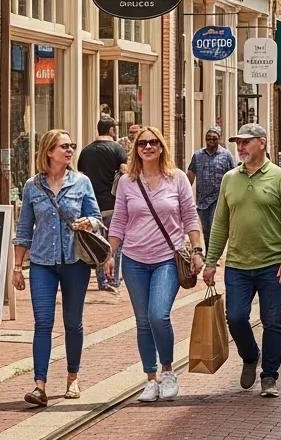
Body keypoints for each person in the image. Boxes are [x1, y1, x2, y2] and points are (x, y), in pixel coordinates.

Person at [202, 124, 281, 398]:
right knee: (235, 318)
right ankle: (250, 355)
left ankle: (269, 376)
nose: (241, 147)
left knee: (272, 321)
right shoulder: (229, 179)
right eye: (238, 142)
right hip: (237, 264)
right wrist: (211, 262)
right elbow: (220, 223)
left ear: (262, 143)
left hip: (272, 264)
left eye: (246, 142)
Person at [105, 126, 203, 403]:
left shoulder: (177, 178)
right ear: (135, 149)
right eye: (142, 143)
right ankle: (150, 378)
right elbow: (119, 220)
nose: (147, 147)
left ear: (161, 147)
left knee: (158, 315)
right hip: (134, 260)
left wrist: (197, 250)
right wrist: (109, 254)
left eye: (153, 143)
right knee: (142, 321)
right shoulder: (127, 182)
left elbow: (190, 216)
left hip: (167, 259)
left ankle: (168, 371)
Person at [12, 129, 102, 408]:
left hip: (75, 262)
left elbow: (96, 218)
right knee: (43, 323)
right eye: (64, 146)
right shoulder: (32, 186)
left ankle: (72, 377)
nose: (70, 150)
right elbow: (24, 229)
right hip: (42, 263)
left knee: (73, 322)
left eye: (71, 146)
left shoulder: (81, 182)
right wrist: (17, 266)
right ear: (49, 151)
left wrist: (88, 222)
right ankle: (39, 385)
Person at [77, 115, 128, 294]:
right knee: (115, 243)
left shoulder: (86, 151)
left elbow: (81, 176)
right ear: (112, 130)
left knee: (98, 243)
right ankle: (113, 278)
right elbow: (125, 173)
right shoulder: (117, 149)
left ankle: (101, 280)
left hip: (92, 206)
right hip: (112, 204)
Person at [186, 125, 235, 245]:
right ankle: (209, 252)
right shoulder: (198, 156)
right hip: (202, 201)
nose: (211, 140)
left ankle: (214, 254)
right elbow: (190, 175)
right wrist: (184, 195)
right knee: (206, 231)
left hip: (219, 199)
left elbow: (233, 177)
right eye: (208, 138)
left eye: (214, 138)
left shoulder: (226, 155)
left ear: (219, 138)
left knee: (214, 229)